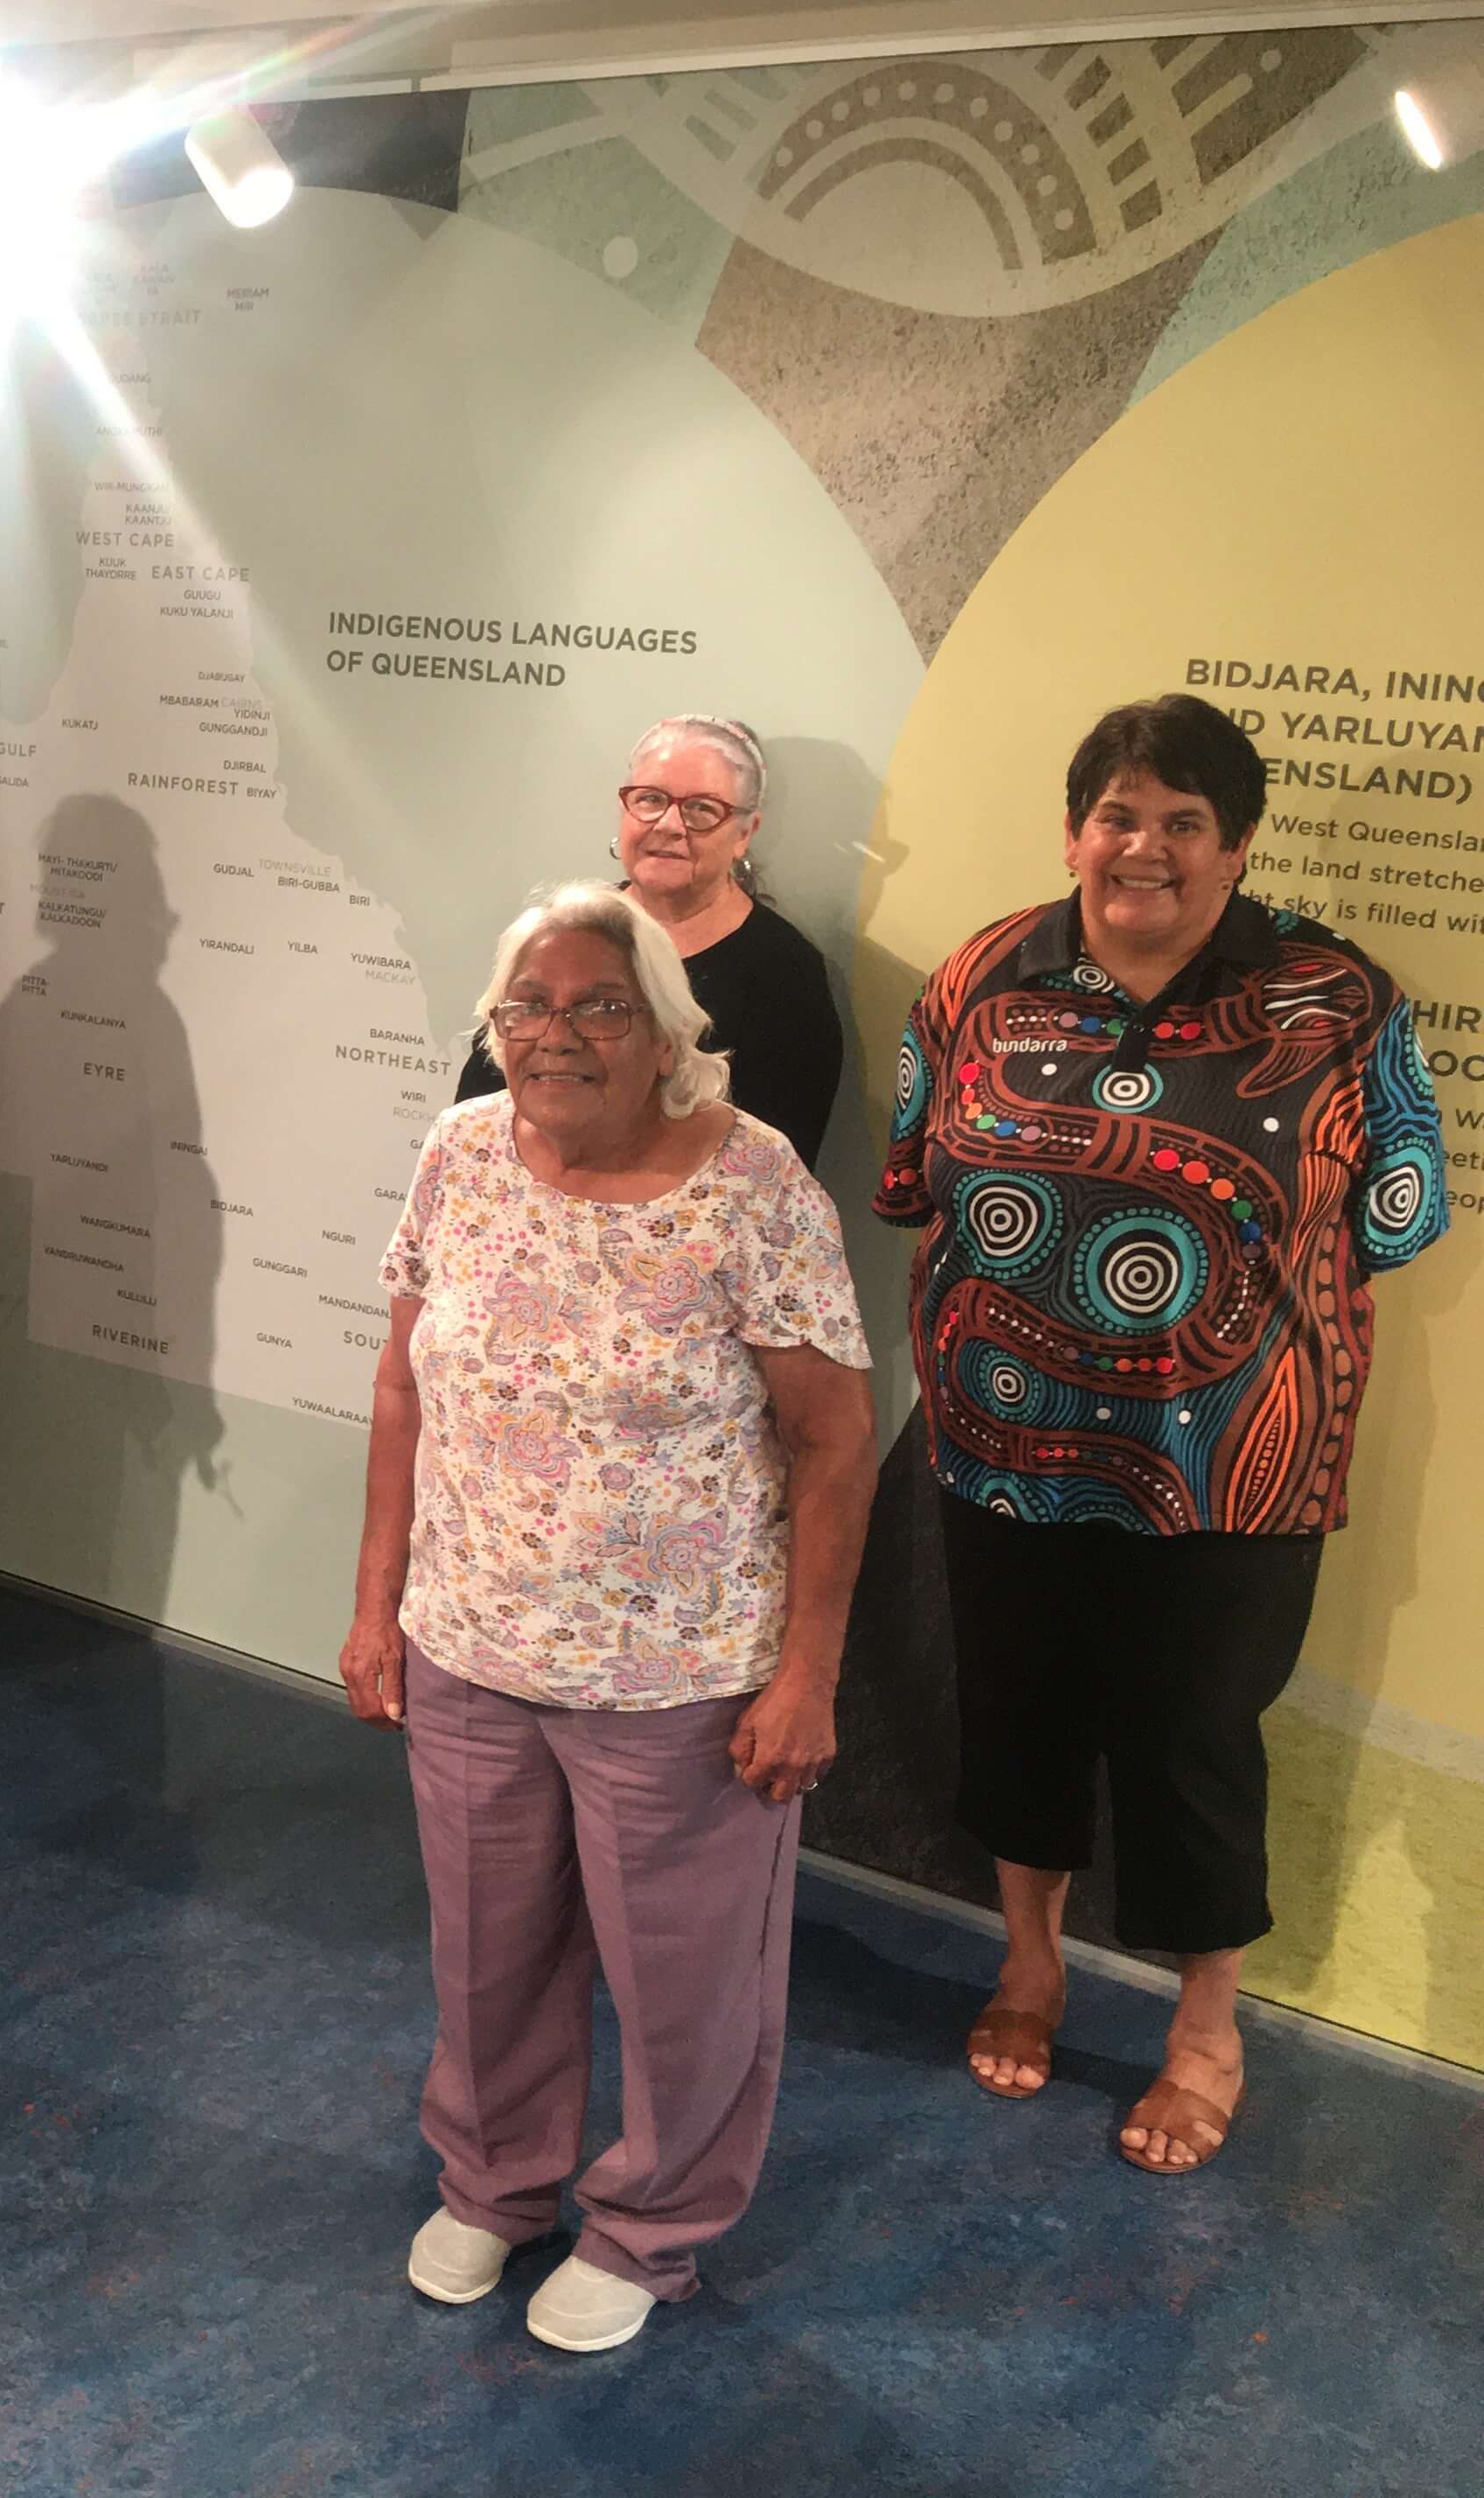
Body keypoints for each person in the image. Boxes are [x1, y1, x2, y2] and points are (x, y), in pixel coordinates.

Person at [874, 694, 1447, 2172]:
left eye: (1182, 820)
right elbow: (909, 1171)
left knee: (1191, 1742)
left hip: (1234, 1463)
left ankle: (1204, 2026)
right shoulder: (980, 977)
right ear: (1076, 829)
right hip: (1003, 1447)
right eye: (1116, 813)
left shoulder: (1335, 996)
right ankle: (1030, 1964)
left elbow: (1401, 1209)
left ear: (1234, 843)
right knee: (1015, 1709)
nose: (1143, 847)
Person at [344, 881, 874, 2355]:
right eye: (528, 1004)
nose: (555, 1032)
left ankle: (652, 2224)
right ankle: (497, 2178)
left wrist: (808, 1673)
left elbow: (835, 1437)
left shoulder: (752, 1182)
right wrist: (375, 1597)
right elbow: (403, 1379)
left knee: (686, 1979)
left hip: (682, 1676)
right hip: (469, 1645)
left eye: (597, 1005)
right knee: (484, 1948)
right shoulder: (458, 1153)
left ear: (662, 1032)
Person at [455, 715, 845, 1162]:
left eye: (702, 809)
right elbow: (484, 1097)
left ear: (744, 833)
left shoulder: (786, 975)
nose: (669, 824)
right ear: (624, 812)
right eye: (650, 799)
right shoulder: (561, 939)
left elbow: (774, 1168)